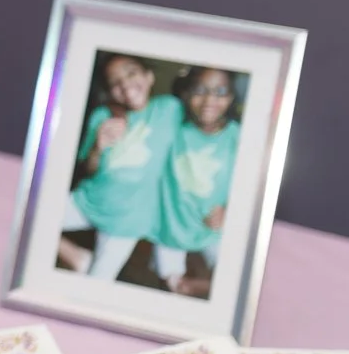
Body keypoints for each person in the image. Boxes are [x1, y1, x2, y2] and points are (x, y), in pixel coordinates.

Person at [58, 53, 181, 280]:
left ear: (149, 77)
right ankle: (77, 257)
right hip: (88, 201)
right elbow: (89, 169)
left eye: (131, 73)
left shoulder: (170, 109)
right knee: (29, 215)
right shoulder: (102, 115)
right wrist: (98, 146)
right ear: (111, 91)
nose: (125, 84)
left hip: (127, 222)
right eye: (115, 82)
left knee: (96, 284)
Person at [149, 67, 242, 298]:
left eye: (220, 92)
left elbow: (253, 185)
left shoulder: (238, 136)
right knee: (169, 287)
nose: (210, 100)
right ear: (187, 95)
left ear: (230, 98)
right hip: (171, 226)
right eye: (200, 91)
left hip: (214, 228)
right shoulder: (173, 126)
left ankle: (191, 286)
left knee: (234, 283)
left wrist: (231, 210)